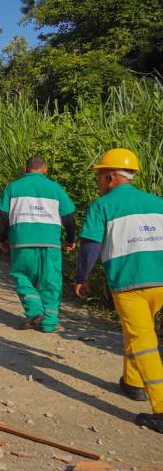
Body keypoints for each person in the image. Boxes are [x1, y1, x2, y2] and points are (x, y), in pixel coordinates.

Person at [74, 148, 163, 434]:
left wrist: (81, 277)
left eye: (99, 176)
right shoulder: (157, 203)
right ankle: (133, 383)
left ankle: (161, 408)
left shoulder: (103, 206)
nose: (98, 182)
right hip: (159, 282)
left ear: (111, 177)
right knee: (136, 330)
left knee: (143, 341)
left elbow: (89, 245)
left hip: (129, 284)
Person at [0, 155, 76, 333]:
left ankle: (34, 310)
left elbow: (1, 215)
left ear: (25, 169)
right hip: (50, 243)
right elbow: (69, 216)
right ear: (45, 169)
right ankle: (49, 322)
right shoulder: (55, 188)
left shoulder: (13, 187)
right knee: (51, 281)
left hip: (21, 241)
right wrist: (70, 239)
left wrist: (2, 238)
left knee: (22, 276)